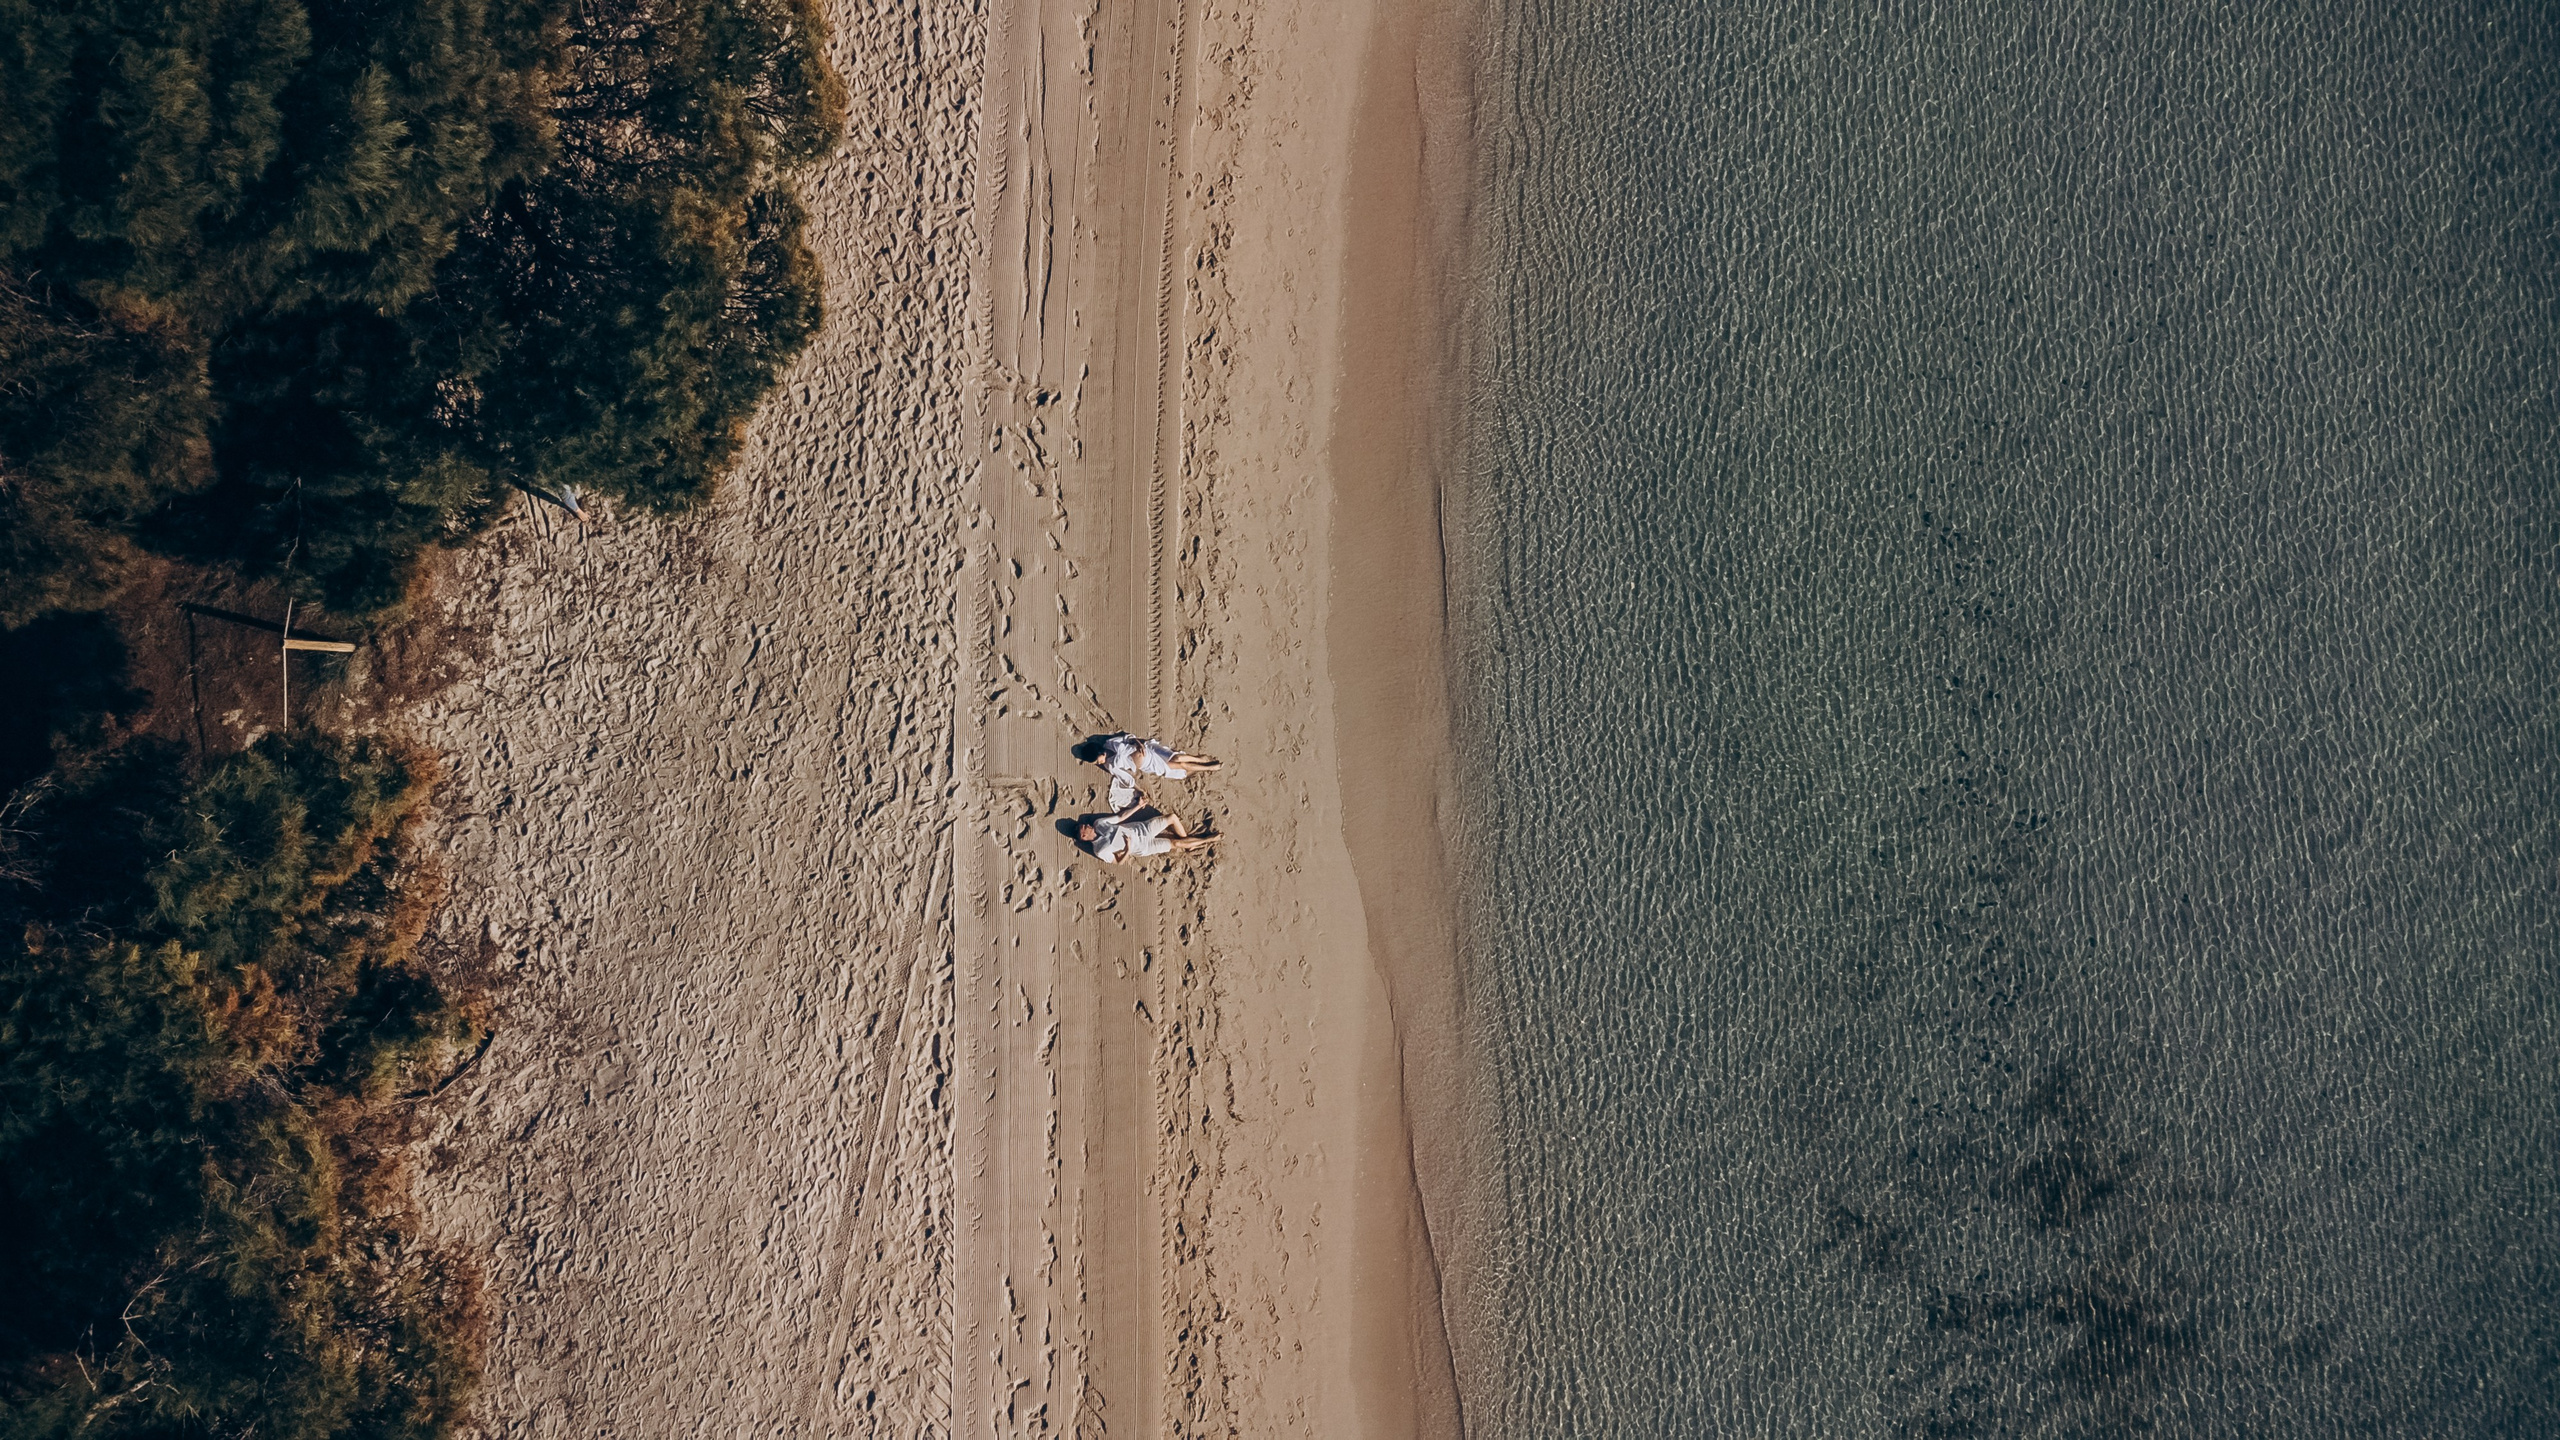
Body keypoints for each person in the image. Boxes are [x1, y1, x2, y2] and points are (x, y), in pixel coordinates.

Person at [1084, 732, 1221, 808]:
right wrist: (1140, 789)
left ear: (1100, 752)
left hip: (1149, 750)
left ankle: (1200, 759)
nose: (1099, 763)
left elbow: (1128, 737)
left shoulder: (1110, 743)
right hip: (1148, 764)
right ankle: (1208, 767)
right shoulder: (1110, 766)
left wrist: (1138, 743)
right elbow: (1126, 778)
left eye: (1097, 760)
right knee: (1180, 766)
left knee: (1178, 758)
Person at [1079, 799, 1218, 862]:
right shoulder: (1100, 850)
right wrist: (1127, 848)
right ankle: (1208, 839)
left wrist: (1138, 807)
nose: (1087, 825)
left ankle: (1190, 844)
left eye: (1085, 824)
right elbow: (1118, 862)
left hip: (1143, 829)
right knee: (1175, 844)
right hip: (1143, 847)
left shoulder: (1099, 823)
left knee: (1172, 817)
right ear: (1084, 836)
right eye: (1085, 827)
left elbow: (1121, 817)